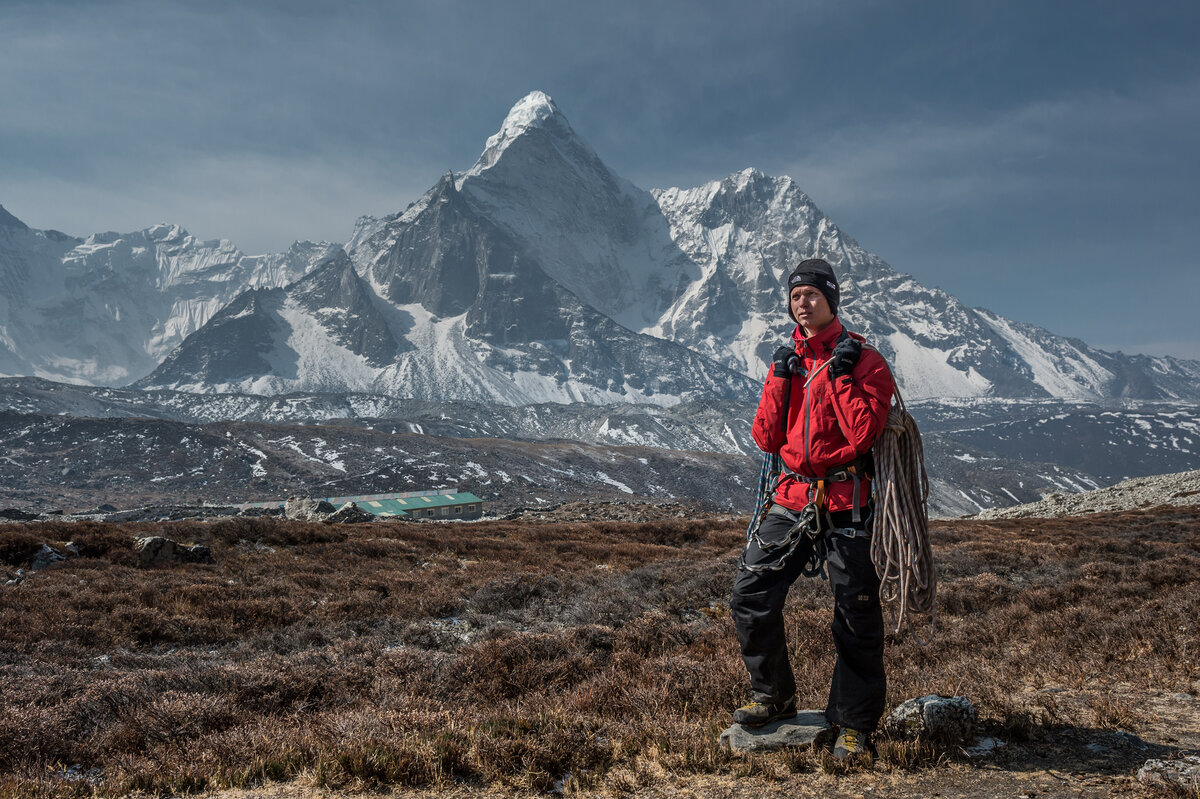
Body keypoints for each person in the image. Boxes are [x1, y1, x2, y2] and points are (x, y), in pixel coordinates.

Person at [730, 257, 895, 761]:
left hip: (847, 500)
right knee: (749, 593)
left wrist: (841, 376)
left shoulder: (865, 361)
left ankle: (853, 723)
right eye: (796, 296)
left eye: (813, 295)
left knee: (855, 612)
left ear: (832, 299)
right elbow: (765, 438)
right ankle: (774, 698)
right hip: (792, 497)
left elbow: (863, 434)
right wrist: (780, 379)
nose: (803, 303)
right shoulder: (790, 362)